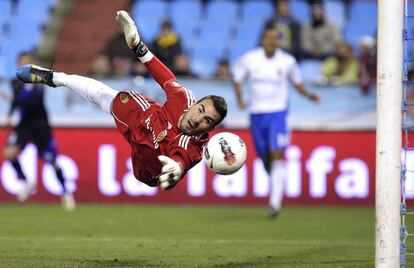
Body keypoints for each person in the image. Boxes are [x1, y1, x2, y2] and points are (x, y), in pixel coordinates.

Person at [16, 11, 227, 191]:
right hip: (145, 122)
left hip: (149, 168)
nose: (198, 119)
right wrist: (138, 47)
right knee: (112, 96)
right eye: (200, 110)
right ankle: (55, 78)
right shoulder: (183, 98)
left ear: (211, 128)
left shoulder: (194, 148)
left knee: (152, 173)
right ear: (195, 104)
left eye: (207, 120)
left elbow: (181, 160)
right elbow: (166, 78)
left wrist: (176, 170)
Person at [232, 25, 319, 218]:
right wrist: (239, 99)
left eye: (275, 38)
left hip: (278, 114)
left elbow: (297, 82)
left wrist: (309, 95)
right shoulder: (250, 59)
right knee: (265, 158)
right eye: (268, 38)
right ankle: (276, 187)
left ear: (279, 41)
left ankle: (274, 203)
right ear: (262, 40)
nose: (271, 41)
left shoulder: (287, 61)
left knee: (277, 153)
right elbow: (237, 78)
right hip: (256, 114)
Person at [2, 52, 75, 210]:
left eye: (28, 63)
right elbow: (18, 100)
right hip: (23, 125)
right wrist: (10, 113)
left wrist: (12, 99)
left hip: (40, 126)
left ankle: (66, 193)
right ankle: (26, 181)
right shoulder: (15, 82)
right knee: (9, 153)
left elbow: (33, 101)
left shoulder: (40, 81)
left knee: (53, 162)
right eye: (22, 63)